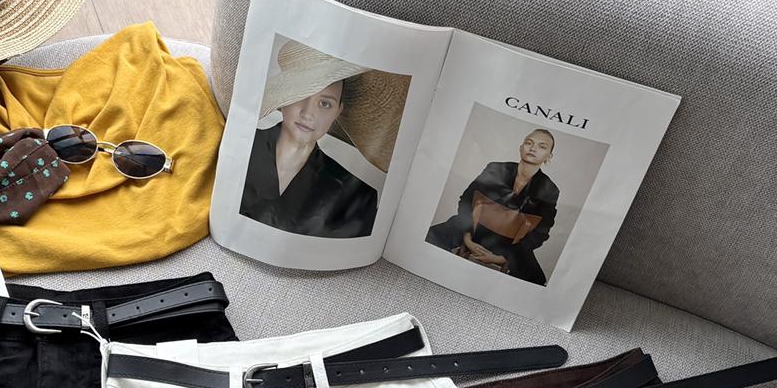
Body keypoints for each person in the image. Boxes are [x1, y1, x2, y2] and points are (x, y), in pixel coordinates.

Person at [239, 43, 395, 238]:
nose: (308, 113)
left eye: (325, 104)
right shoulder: (239, 143)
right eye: (302, 94)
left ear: (338, 112)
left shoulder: (358, 198)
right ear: (284, 97)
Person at [426, 127, 560, 284]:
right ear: (521, 148)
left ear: (549, 156)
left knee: (536, 281)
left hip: (511, 245)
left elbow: (541, 232)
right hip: (474, 229)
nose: (533, 148)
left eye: (542, 146)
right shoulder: (495, 169)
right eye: (529, 143)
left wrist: (504, 257)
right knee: (430, 236)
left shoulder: (549, 189)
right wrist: (467, 236)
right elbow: (466, 200)